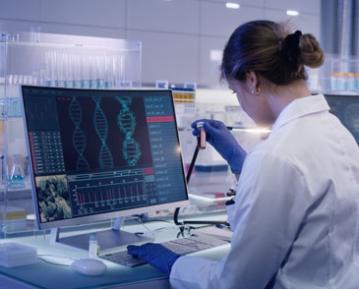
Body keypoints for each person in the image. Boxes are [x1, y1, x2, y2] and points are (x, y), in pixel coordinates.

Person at [127, 20, 359, 289]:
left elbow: (235, 283)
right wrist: (242, 165)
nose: (240, 100)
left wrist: (174, 264)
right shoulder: (337, 132)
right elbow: (287, 224)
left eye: (235, 92)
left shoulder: (276, 156)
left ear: (252, 80)